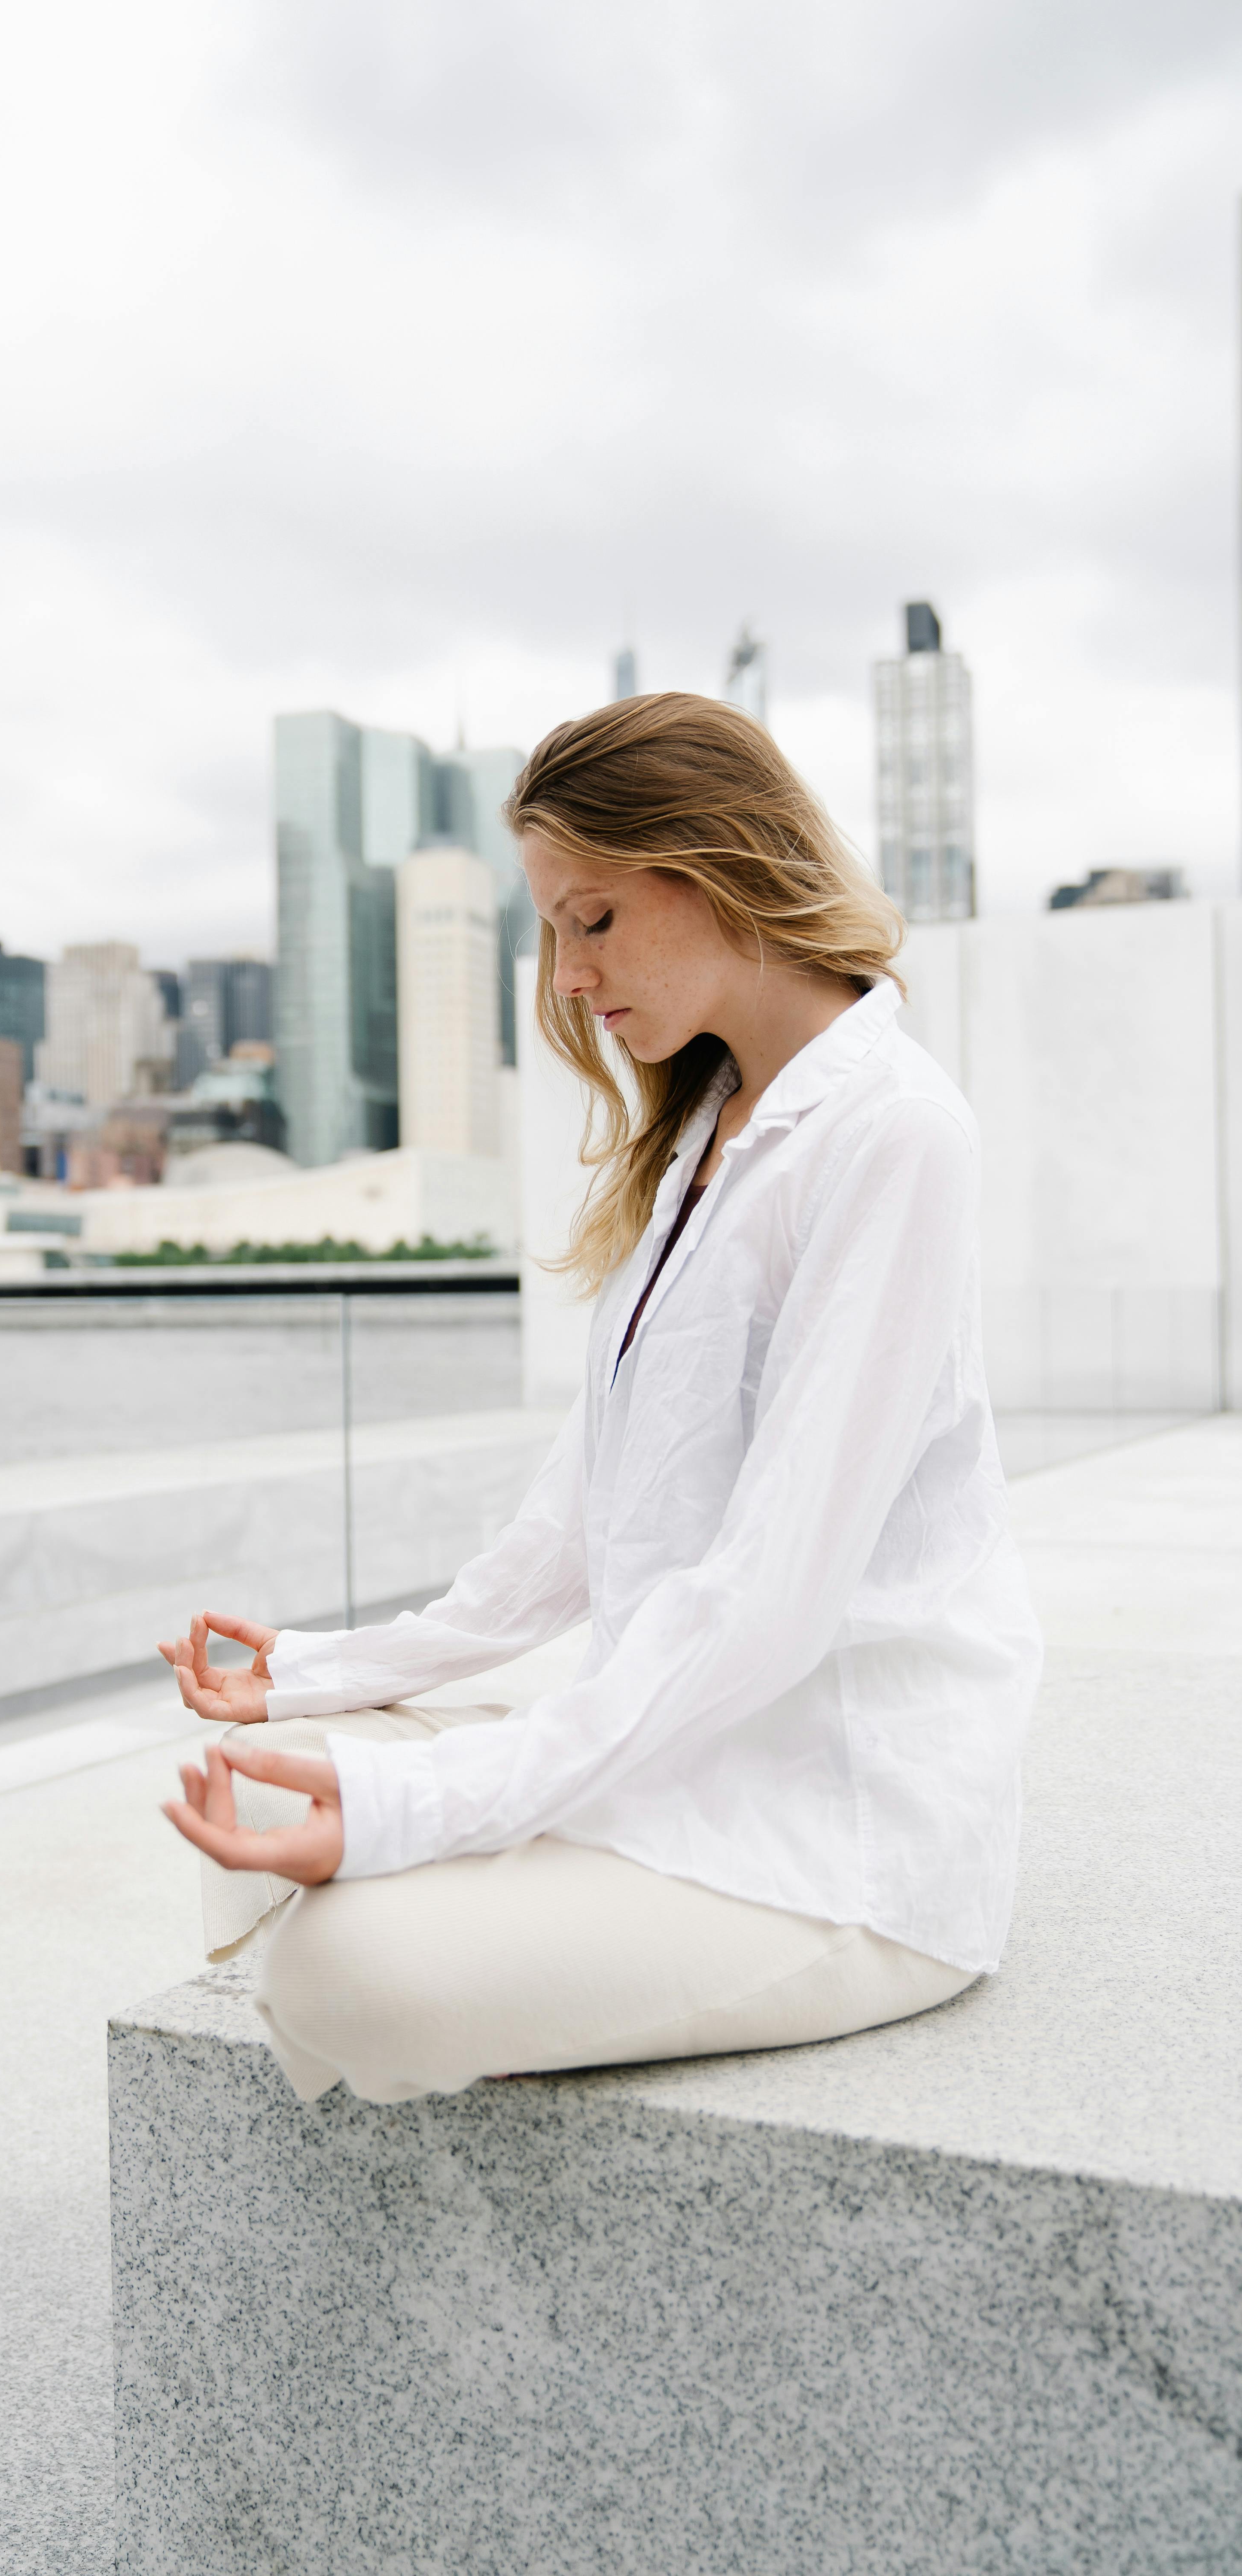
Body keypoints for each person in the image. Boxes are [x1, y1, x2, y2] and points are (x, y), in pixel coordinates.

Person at [157, 691, 1042, 2107]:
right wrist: (322, 1672)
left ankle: (459, 1910)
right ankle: (479, 1877)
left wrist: (421, 1802)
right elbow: (571, 1529)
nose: (569, 976)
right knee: (259, 1769)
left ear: (720, 870)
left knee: (345, 1973)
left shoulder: (894, 1135)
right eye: (555, 931)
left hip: (837, 1830)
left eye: (596, 919)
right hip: (688, 1743)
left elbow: (771, 1597)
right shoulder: (707, 1129)